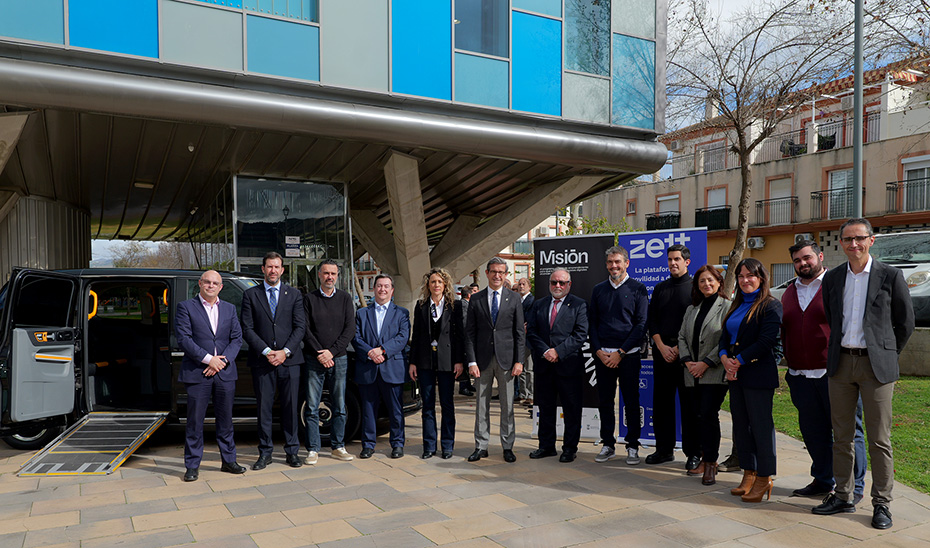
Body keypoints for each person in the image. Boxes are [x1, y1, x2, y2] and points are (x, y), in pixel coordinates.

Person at [813, 218, 914, 529]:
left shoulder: (890, 275)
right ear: (841, 243)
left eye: (859, 238)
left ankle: (882, 503)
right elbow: (833, 317)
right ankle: (843, 495)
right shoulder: (833, 278)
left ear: (872, 240)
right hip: (841, 364)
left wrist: (886, 354)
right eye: (847, 239)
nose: (853, 244)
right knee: (841, 437)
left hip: (876, 367)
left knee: (879, 439)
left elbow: (905, 322)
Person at [781, 240, 867, 503]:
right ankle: (822, 479)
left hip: (835, 374)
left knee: (848, 432)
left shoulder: (838, 285)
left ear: (819, 256)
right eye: (797, 260)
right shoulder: (788, 292)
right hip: (800, 375)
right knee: (813, 431)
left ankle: (854, 486)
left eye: (807, 258)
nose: (803, 263)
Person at [719, 258, 782, 503]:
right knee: (741, 427)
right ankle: (749, 473)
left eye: (750, 276)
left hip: (758, 374)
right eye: (741, 276)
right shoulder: (735, 306)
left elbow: (767, 341)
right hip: (736, 375)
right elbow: (724, 337)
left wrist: (739, 360)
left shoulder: (770, 306)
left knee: (761, 428)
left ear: (761, 278)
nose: (745, 280)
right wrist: (725, 358)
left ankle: (764, 477)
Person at [175, 270, 246, 481]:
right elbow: (184, 339)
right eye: (207, 282)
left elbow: (237, 339)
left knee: (226, 421)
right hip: (198, 373)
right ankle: (192, 465)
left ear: (221, 287)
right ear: (200, 284)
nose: (211, 285)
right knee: (195, 421)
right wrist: (208, 359)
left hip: (224, 373)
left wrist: (221, 362)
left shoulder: (230, 309)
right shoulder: (186, 307)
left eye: (215, 283)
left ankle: (229, 461)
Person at [241, 252, 307, 470]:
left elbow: (300, 327)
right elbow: (247, 328)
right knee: (264, 409)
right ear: (263, 269)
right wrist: (268, 351)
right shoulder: (251, 295)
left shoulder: (295, 294)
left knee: (291, 408)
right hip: (263, 361)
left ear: (282, 270)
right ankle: (265, 453)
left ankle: (292, 451)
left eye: (277, 267)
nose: (273, 271)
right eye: (269, 267)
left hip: (290, 361)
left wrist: (285, 351)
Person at [590, 245, 649, 465]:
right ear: (606, 265)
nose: (614, 266)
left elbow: (641, 324)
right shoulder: (598, 289)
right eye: (610, 262)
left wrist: (621, 353)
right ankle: (608, 444)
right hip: (603, 356)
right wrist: (598, 351)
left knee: (631, 402)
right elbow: (592, 323)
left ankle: (632, 446)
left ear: (626, 263)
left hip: (628, 356)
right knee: (605, 402)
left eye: (618, 262)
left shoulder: (638, 289)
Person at [465, 257, 525, 463]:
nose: (497, 275)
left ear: (506, 274)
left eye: (501, 272)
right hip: (481, 362)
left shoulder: (514, 298)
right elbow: (470, 333)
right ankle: (481, 446)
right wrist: (471, 361)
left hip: (507, 360)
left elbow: (519, 333)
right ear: (487, 273)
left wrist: (519, 361)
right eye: (493, 271)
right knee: (482, 405)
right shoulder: (476, 299)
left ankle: (507, 446)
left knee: (507, 405)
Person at [526, 268, 588, 462]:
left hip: (569, 366)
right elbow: (532, 331)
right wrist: (546, 351)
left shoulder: (579, 305)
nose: (558, 286)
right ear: (549, 284)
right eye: (554, 282)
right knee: (545, 408)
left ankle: (569, 448)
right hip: (544, 366)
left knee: (571, 409)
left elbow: (580, 334)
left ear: (569, 284)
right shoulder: (539, 304)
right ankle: (546, 446)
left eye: (562, 283)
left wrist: (558, 352)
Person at [677, 265, 729, 485]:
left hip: (713, 373)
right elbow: (681, 337)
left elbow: (727, 339)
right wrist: (689, 361)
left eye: (710, 280)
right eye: (702, 281)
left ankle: (710, 464)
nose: (706, 284)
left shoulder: (727, 307)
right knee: (696, 416)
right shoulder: (692, 309)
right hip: (691, 372)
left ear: (718, 282)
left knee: (708, 415)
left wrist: (706, 363)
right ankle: (701, 457)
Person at [646, 244, 696, 468]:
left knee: (689, 406)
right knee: (662, 405)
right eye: (670, 259)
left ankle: (694, 453)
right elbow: (652, 321)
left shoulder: (696, 288)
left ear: (687, 262)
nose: (673, 263)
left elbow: (696, 324)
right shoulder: (660, 288)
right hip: (662, 354)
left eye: (677, 259)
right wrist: (662, 347)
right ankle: (664, 450)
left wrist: (678, 349)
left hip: (687, 358)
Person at [302, 259, 356, 465]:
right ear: (319, 275)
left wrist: (331, 353)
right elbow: (305, 330)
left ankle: (338, 446)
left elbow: (349, 329)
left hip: (339, 359)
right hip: (314, 359)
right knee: (312, 406)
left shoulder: (345, 298)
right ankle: (313, 449)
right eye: (326, 273)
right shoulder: (309, 299)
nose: (329, 277)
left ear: (337, 276)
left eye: (333, 273)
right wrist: (320, 353)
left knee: (340, 405)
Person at [354, 274, 411, 459]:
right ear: (375, 288)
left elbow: (402, 338)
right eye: (379, 286)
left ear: (392, 290)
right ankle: (368, 445)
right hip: (368, 369)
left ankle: (397, 444)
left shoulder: (402, 313)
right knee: (368, 409)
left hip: (392, 369)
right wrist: (371, 352)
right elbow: (356, 338)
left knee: (395, 411)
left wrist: (383, 351)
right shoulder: (362, 313)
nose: (382, 289)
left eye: (386, 286)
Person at [409, 268, 463, 459]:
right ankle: (429, 446)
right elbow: (416, 336)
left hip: (447, 362)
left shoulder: (454, 306)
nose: (436, 285)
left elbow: (459, 337)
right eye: (433, 282)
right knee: (428, 405)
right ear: (428, 285)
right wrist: (413, 362)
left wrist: (459, 361)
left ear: (445, 285)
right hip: (425, 361)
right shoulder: (421, 305)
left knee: (447, 405)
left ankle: (447, 446)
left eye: (440, 282)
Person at [516, 277, 536, 406]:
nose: (521, 286)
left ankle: (531, 395)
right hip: (519, 340)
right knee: (521, 368)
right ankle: (523, 394)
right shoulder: (517, 300)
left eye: (524, 284)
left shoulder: (532, 301)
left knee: (529, 369)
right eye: (519, 284)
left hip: (528, 339)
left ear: (529, 286)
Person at [457, 285, 477, 396]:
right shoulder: (464, 306)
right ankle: (463, 386)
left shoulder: (466, 304)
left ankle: (467, 384)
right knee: (464, 363)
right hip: (464, 339)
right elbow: (465, 323)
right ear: (469, 295)